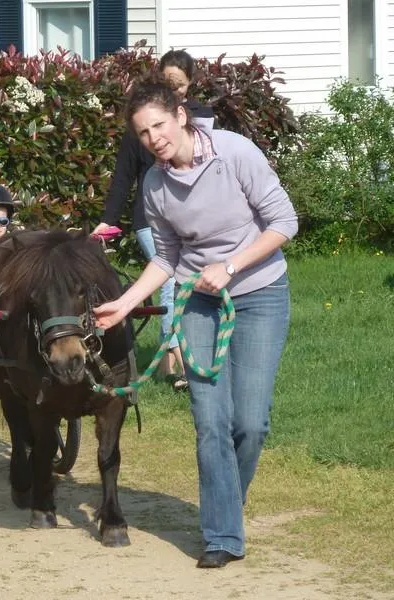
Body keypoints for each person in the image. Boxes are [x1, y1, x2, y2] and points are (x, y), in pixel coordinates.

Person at [93, 76, 298, 569]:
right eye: (143, 133)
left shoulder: (234, 153)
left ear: (181, 116)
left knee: (250, 423)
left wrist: (230, 266)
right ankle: (222, 535)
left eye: (159, 125)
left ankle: (227, 503)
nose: (154, 139)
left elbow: (284, 223)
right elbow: (165, 258)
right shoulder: (155, 184)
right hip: (197, 303)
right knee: (211, 423)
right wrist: (124, 304)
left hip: (260, 293)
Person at [93, 49, 214, 391]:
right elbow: (122, 177)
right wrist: (108, 220)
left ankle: (178, 360)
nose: (174, 88)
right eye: (167, 82)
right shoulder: (138, 129)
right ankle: (174, 360)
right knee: (171, 281)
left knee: (191, 285)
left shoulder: (203, 120)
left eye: (179, 84)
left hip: (192, 214)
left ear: (190, 85)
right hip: (151, 218)